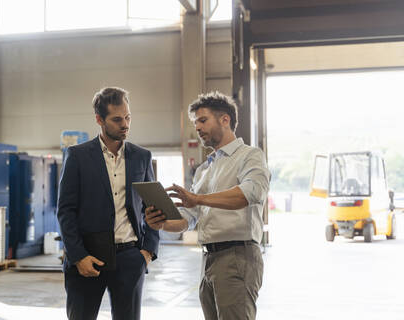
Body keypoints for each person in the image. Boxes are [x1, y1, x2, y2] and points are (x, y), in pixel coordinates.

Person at [145, 91, 270, 320]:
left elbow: (250, 193)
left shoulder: (249, 156)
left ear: (225, 120)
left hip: (237, 255)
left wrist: (199, 199)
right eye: (195, 123)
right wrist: (162, 223)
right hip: (208, 259)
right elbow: (188, 218)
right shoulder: (204, 170)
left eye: (203, 120)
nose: (198, 128)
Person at [57, 87, 159, 320]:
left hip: (130, 258)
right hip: (87, 259)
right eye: (117, 119)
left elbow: (152, 208)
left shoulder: (142, 156)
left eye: (128, 117)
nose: (125, 124)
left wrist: (147, 251)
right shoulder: (77, 156)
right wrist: (78, 256)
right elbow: (66, 211)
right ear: (99, 120)